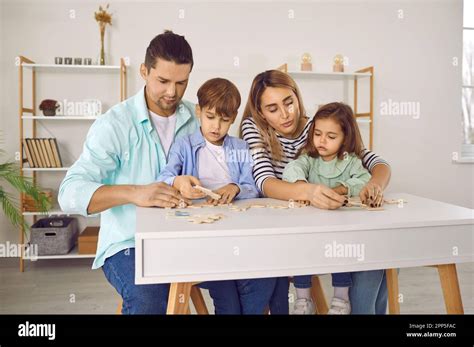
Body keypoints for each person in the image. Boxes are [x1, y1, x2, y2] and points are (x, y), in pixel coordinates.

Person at [239, 70, 392, 314]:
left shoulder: (317, 127)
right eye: (272, 108)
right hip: (285, 231)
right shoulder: (253, 127)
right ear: (260, 112)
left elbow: (373, 161)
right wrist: (308, 192)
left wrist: (374, 185)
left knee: (373, 254)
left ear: (297, 97)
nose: (285, 114)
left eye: (289, 102)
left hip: (328, 225)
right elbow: (265, 182)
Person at [158, 77, 275, 313]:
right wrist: (179, 181)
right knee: (227, 297)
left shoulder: (240, 148)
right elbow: (164, 177)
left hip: (237, 230)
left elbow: (253, 187)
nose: (216, 126)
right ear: (198, 111)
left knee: (261, 279)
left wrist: (236, 187)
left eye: (224, 120)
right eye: (210, 117)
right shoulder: (184, 145)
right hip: (203, 234)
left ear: (233, 118)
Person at [283, 102, 372, 314]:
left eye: (331, 137)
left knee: (340, 257)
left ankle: (341, 300)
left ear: (345, 139)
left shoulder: (350, 162)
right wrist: (304, 188)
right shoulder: (309, 159)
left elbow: (365, 179)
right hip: (309, 231)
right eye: (318, 134)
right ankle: (303, 300)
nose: (322, 141)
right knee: (301, 254)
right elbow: (291, 169)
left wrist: (342, 189)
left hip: (339, 231)